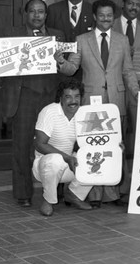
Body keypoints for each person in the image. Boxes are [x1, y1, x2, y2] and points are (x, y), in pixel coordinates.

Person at [55, 0, 140, 207]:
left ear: (114, 16)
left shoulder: (122, 40)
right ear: (94, 16)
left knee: (115, 147)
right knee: (91, 148)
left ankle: (116, 193)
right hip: (91, 104)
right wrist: (60, 61)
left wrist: (138, 93)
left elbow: (128, 71)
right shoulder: (81, 39)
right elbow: (72, 68)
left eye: (109, 15)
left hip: (116, 101)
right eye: (101, 15)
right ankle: (92, 195)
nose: (105, 19)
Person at [0, 0, 65, 207]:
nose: (37, 16)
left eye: (41, 12)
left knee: (55, 145)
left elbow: (64, 67)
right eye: (33, 12)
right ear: (25, 13)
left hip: (49, 96)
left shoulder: (58, 36)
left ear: (46, 15)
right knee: (22, 147)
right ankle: (23, 193)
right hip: (23, 96)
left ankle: (54, 192)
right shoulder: (11, 35)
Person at [33, 79, 93, 216]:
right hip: (45, 165)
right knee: (55, 160)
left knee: (98, 157)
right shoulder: (49, 111)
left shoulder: (83, 114)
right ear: (60, 98)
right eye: (68, 97)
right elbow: (39, 144)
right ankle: (47, 201)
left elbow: (95, 142)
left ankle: (74, 194)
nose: (73, 101)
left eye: (77, 96)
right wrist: (66, 157)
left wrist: (114, 146)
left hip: (68, 166)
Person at [112, 0, 140, 155]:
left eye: (138, 5)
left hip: (138, 85)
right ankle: (117, 170)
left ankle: (138, 167)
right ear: (123, 3)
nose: (134, 7)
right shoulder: (110, 24)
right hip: (114, 84)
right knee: (116, 130)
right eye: (130, 3)